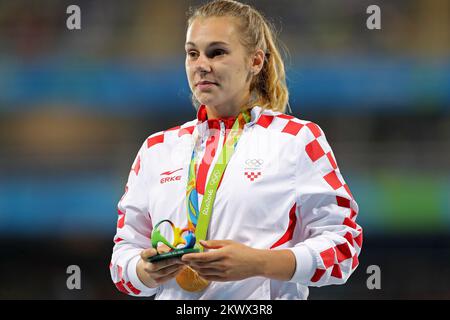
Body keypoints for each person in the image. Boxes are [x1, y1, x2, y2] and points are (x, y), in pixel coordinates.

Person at [110, 0, 362, 300]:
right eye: (193, 53)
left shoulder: (296, 139)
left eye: (217, 52)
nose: (201, 64)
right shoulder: (157, 149)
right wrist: (145, 271)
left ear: (256, 61)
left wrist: (259, 262)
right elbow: (121, 261)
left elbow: (344, 248)